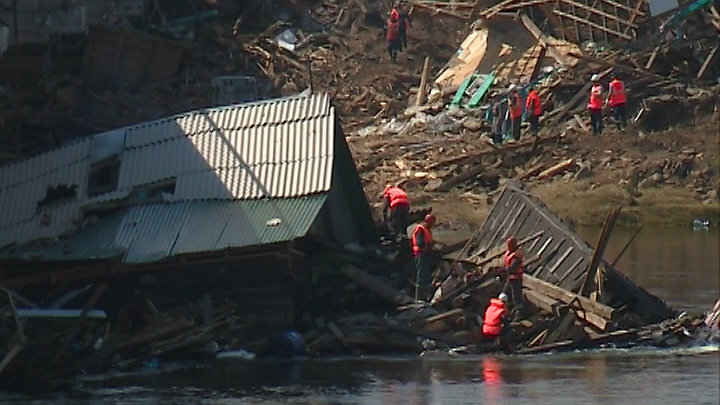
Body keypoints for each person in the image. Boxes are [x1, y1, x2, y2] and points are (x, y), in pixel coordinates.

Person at [411, 214, 436, 302]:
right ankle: (419, 298)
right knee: (422, 274)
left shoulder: (427, 230)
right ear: (427, 221)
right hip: (421, 254)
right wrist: (428, 246)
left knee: (426, 274)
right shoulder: (420, 229)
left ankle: (425, 296)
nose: (433, 223)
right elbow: (419, 242)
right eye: (431, 221)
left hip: (426, 254)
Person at [502, 236, 524, 314]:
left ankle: (519, 311)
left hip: (516, 277)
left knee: (516, 295)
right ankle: (508, 307)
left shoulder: (517, 254)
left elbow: (512, 266)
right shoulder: (509, 252)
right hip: (510, 277)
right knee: (505, 292)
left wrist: (504, 270)